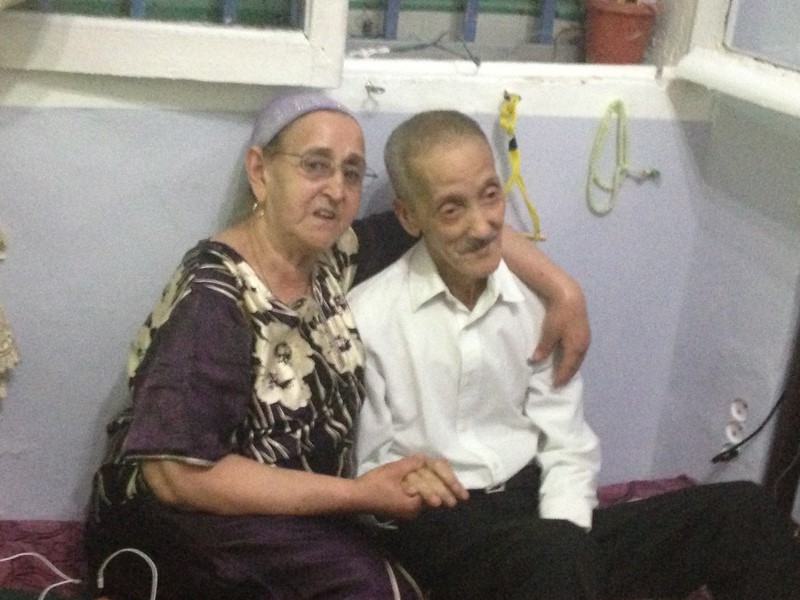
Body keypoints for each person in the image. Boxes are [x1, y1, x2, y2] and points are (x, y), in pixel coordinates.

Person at [84, 91, 592, 600]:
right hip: (198, 516)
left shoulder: (333, 254)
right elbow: (177, 476)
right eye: (315, 166)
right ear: (260, 171)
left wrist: (564, 291)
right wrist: (357, 494)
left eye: (351, 173)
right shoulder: (213, 297)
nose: (336, 189)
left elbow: (460, 223)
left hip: (309, 508)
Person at [350, 109, 800, 600]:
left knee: (744, 512)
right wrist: (406, 477)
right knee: (555, 556)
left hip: (536, 514)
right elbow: (368, 468)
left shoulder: (537, 301)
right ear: (408, 216)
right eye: (452, 209)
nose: (483, 225)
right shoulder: (369, 317)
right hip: (445, 524)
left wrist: (570, 532)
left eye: (491, 195)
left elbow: (567, 442)